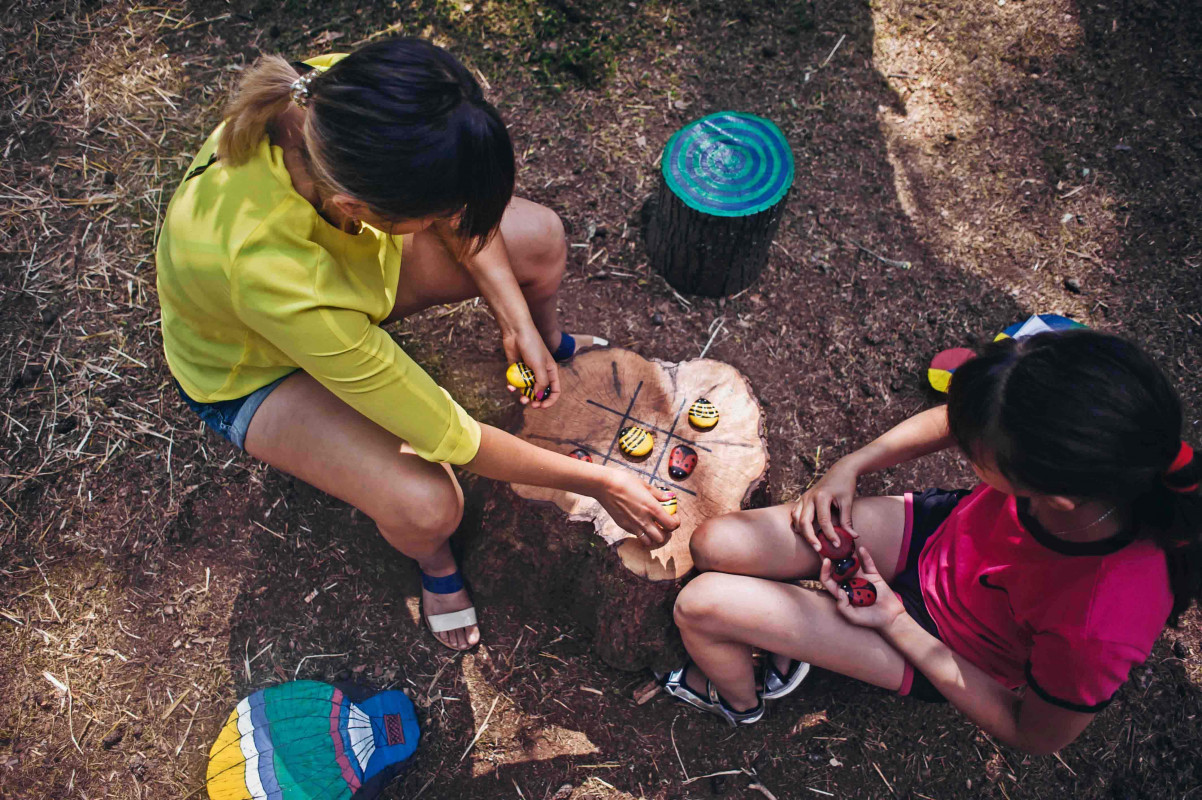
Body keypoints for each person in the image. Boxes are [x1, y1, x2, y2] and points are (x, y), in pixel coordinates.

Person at [156, 38, 679, 651]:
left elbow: (455, 210)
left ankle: (554, 342)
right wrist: (602, 483)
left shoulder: (348, 99)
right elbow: (448, 434)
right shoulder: (270, 271)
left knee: (535, 237)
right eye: (430, 214)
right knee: (428, 503)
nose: (453, 218)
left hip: (344, 286)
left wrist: (517, 320)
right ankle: (434, 562)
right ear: (357, 207)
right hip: (255, 373)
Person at [664, 329, 1200, 753]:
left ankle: (741, 699)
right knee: (716, 542)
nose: (966, 453)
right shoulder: (1073, 408)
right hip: (941, 537)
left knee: (700, 604)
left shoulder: (1100, 624)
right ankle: (794, 641)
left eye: (977, 459)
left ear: (1052, 496)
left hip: (949, 647)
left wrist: (894, 619)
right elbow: (970, 415)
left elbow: (1032, 734)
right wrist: (851, 465)